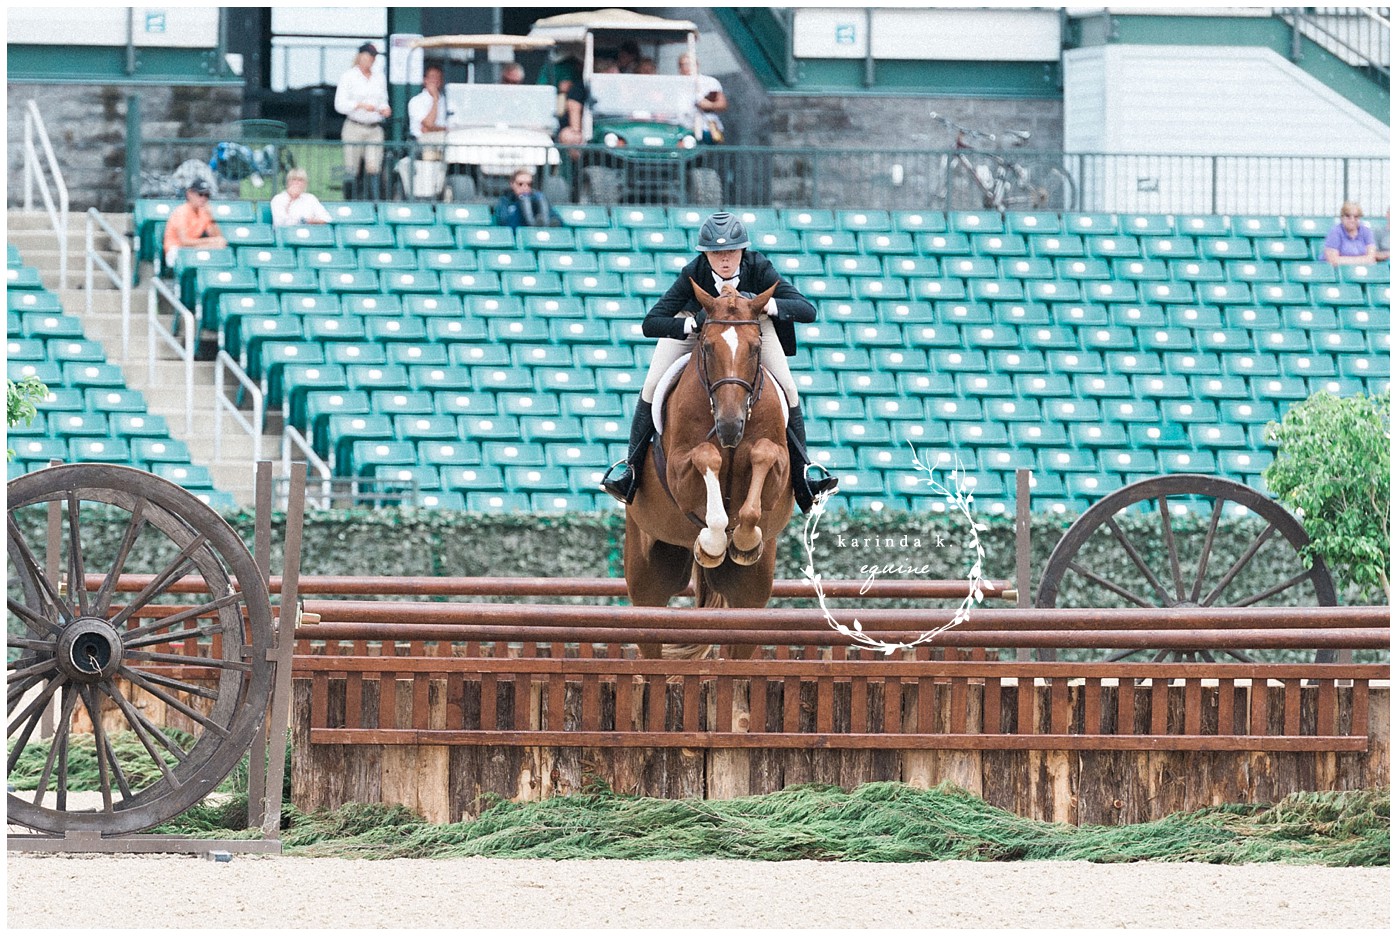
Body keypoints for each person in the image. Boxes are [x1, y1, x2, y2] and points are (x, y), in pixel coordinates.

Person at [600, 212, 839, 513]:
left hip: (751, 324)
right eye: (716, 253)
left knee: (789, 388)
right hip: (698, 328)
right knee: (651, 385)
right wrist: (691, 325)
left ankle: (804, 476)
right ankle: (631, 472)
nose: (724, 260)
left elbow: (807, 310)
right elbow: (651, 323)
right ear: (706, 255)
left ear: (743, 250)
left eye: (731, 251)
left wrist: (765, 303)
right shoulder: (694, 271)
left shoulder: (759, 267)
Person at [334, 42, 391, 201]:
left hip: (374, 127)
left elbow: (383, 100)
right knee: (351, 168)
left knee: (374, 167)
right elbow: (339, 105)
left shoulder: (379, 77)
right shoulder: (348, 76)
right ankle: (350, 202)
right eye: (367, 56)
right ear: (360, 56)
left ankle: (375, 203)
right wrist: (360, 105)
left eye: (372, 57)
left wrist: (385, 109)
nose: (370, 60)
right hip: (355, 125)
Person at [162, 179, 226, 269]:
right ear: (190, 194)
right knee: (215, 245)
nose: (203, 198)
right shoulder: (182, 211)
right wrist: (210, 242)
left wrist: (211, 216)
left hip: (192, 249)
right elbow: (184, 241)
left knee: (220, 245)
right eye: (200, 194)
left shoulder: (203, 212)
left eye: (206, 195)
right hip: (176, 250)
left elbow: (218, 237)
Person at [678, 52, 727, 143]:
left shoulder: (709, 82)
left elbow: (722, 104)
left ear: (697, 65)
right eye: (684, 64)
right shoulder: (676, 84)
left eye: (690, 64)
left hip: (706, 127)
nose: (687, 67)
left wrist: (709, 105)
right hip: (683, 128)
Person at [494, 169, 560, 228]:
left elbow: (555, 219)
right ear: (512, 184)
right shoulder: (505, 200)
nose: (525, 187)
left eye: (529, 184)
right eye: (520, 184)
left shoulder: (536, 199)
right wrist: (521, 205)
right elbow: (504, 221)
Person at [1322, 201, 1376, 266]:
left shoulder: (1366, 231)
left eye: (1356, 216)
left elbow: (1371, 258)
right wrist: (1363, 260)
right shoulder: (1335, 232)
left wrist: (1343, 260)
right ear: (1342, 217)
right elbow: (1333, 260)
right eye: (1348, 216)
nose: (1352, 220)